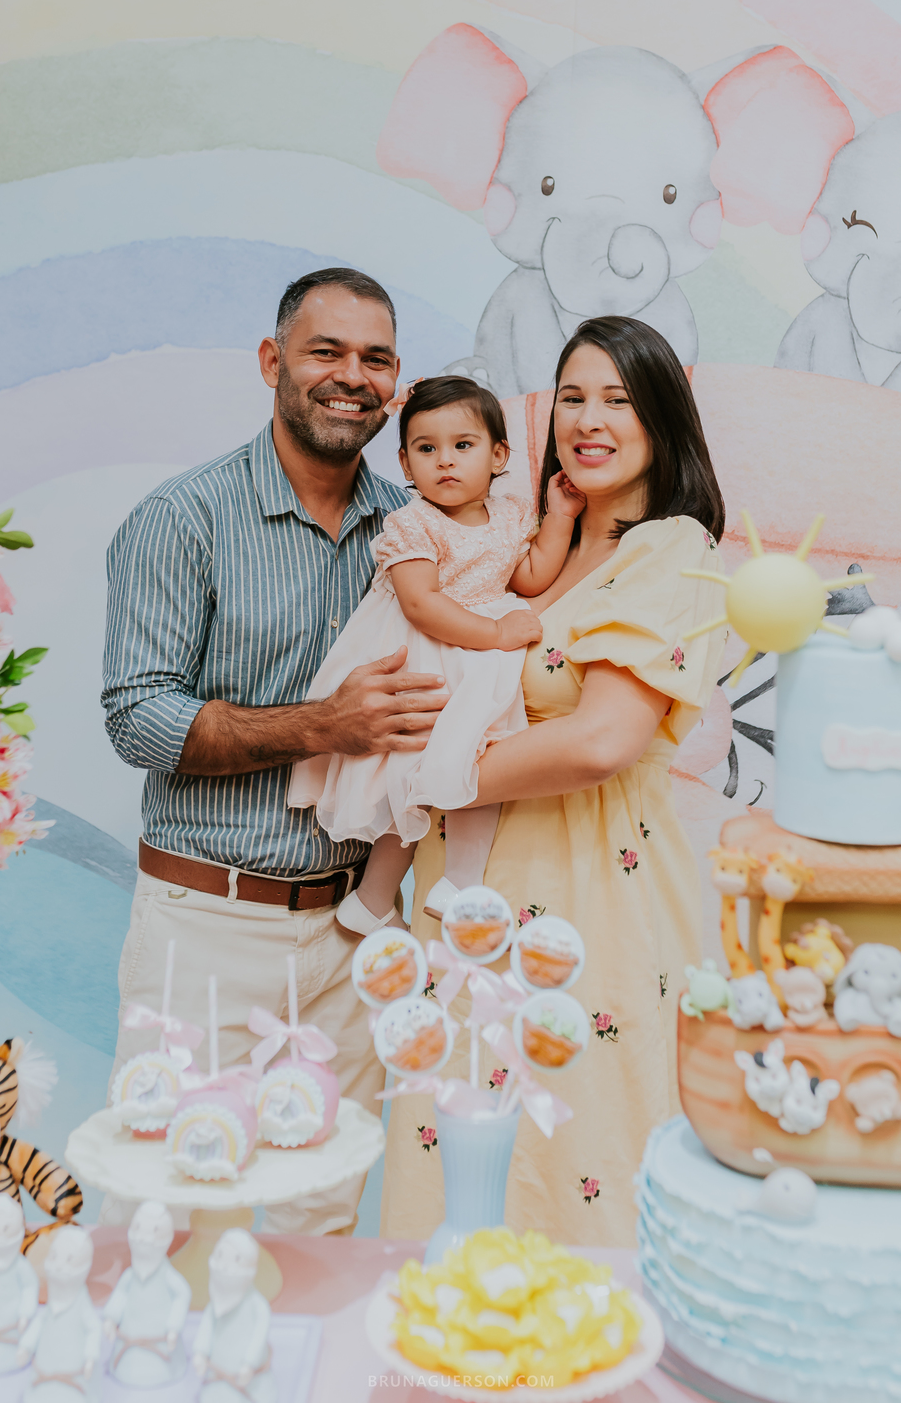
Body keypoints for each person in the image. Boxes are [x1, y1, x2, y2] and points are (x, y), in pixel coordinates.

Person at [101, 267, 449, 1235]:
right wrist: (320, 725)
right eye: (325, 352)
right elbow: (138, 719)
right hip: (205, 926)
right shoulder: (182, 521)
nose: (352, 377)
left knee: (321, 1221)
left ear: (396, 385)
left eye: (375, 359)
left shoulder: (417, 533)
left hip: (357, 940)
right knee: (169, 1217)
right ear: (272, 362)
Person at [381, 315, 728, 1248]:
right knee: (452, 1153)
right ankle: (457, 1376)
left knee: (577, 1155)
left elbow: (601, 740)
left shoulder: (671, 549)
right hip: (466, 896)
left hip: (585, 901)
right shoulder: (530, 551)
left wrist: (427, 773)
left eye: (618, 397)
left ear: (662, 417)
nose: (590, 417)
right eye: (572, 395)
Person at [289, 375, 582, 933]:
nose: (445, 462)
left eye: (462, 446)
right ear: (404, 462)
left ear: (499, 455)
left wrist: (560, 515)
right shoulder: (412, 523)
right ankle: (376, 896)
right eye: (427, 449)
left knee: (474, 765)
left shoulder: (513, 515)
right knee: (415, 776)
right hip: (427, 655)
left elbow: (530, 575)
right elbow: (421, 605)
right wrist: (495, 636)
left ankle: (456, 882)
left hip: (475, 657)